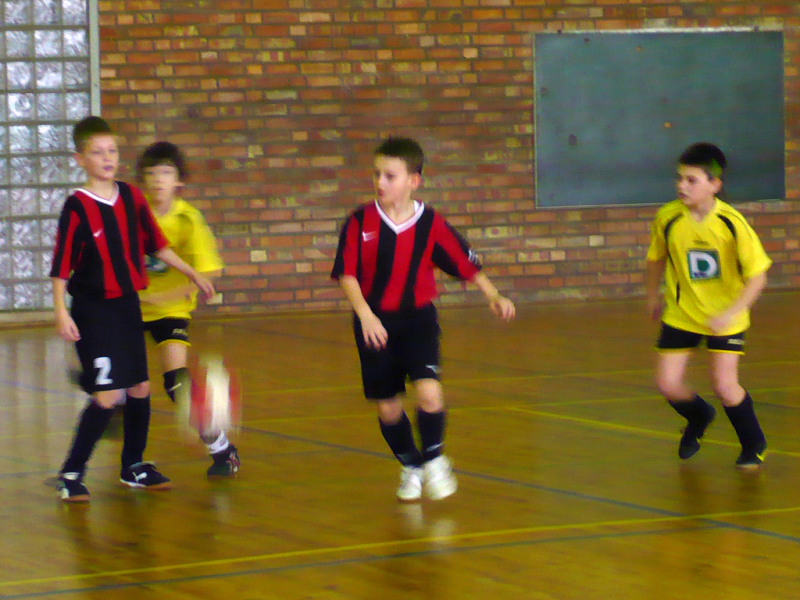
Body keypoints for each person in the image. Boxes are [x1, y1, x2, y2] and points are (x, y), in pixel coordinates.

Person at [331, 136, 516, 501]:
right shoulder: (359, 221)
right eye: (376, 174)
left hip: (418, 319)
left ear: (413, 180)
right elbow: (347, 274)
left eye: (390, 176)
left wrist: (493, 294)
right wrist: (366, 315)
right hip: (374, 323)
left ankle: (434, 459)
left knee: (430, 393)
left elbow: (463, 262)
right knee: (388, 406)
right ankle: (411, 465)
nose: (380, 182)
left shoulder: (430, 222)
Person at [51, 116, 215, 502]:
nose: (107, 158)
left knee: (140, 386)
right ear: (80, 159)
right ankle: (71, 472)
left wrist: (192, 272)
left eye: (112, 151)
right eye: (97, 153)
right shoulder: (77, 207)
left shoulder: (131, 198)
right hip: (94, 310)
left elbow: (157, 245)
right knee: (109, 395)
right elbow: (61, 265)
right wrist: (61, 311)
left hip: (128, 306)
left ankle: (134, 466)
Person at [645, 142, 771, 469]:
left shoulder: (731, 223)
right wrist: (652, 294)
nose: (682, 186)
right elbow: (656, 258)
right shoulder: (668, 217)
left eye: (692, 180)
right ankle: (700, 415)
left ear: (715, 185)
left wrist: (731, 312)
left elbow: (758, 277)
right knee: (667, 384)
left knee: (725, 386)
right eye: (679, 178)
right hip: (683, 313)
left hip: (725, 317)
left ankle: (753, 443)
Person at [135, 141, 239, 477]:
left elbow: (210, 271)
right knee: (120, 382)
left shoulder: (188, 219)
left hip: (171, 310)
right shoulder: (132, 215)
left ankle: (222, 449)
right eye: (151, 174)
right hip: (130, 308)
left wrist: (168, 296)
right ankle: (129, 457)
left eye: (166, 173)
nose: (158, 180)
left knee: (176, 384)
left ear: (178, 180)